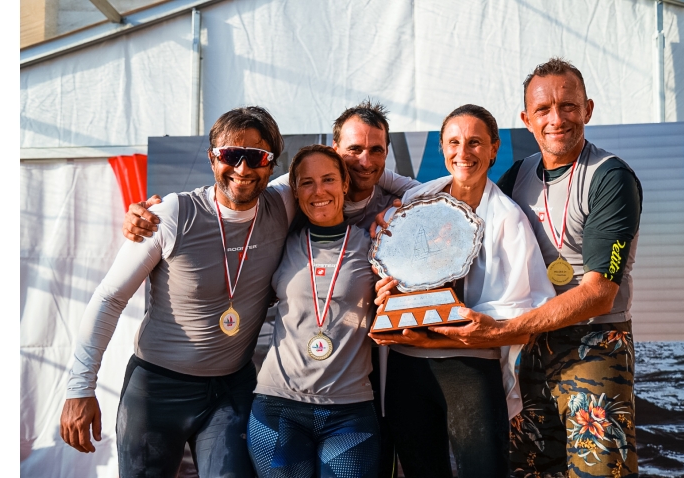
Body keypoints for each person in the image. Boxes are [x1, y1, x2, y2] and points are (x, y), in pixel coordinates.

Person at [124, 100, 415, 477]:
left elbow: (432, 210)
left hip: (351, 405)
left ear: (343, 180)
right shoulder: (285, 225)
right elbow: (233, 192)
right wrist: (151, 214)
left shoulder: (385, 231)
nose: (363, 160)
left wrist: (393, 295)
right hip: (277, 404)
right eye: (353, 150)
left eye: (374, 150)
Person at [428, 58, 643, 478]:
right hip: (528, 349)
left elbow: (600, 291)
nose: (556, 119)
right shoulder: (516, 175)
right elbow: (461, 241)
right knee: (530, 471)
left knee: (600, 472)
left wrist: (502, 330)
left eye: (568, 105)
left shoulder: (609, 177)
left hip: (594, 342)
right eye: (543, 110)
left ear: (588, 109)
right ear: (527, 119)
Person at [59, 106, 294, 476]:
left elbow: (350, 175)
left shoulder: (284, 204)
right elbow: (109, 298)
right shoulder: (172, 214)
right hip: (157, 391)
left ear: (272, 164)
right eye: (231, 155)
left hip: (231, 391)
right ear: (212, 158)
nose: (243, 169)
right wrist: (78, 388)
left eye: (256, 157)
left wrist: (399, 205)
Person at [370, 104, 555, 478]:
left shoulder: (508, 218)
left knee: (483, 471)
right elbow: (390, 266)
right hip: (407, 363)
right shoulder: (413, 201)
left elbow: (527, 314)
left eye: (475, 142)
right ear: (441, 147)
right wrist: (386, 286)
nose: (464, 152)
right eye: (454, 142)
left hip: (469, 368)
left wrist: (450, 332)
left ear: (493, 149)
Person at [247, 144, 381, 477]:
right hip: (278, 408)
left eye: (328, 179)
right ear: (294, 191)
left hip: (349, 412)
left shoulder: (374, 244)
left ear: (345, 184)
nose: (318, 191)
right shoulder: (279, 242)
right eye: (306, 182)